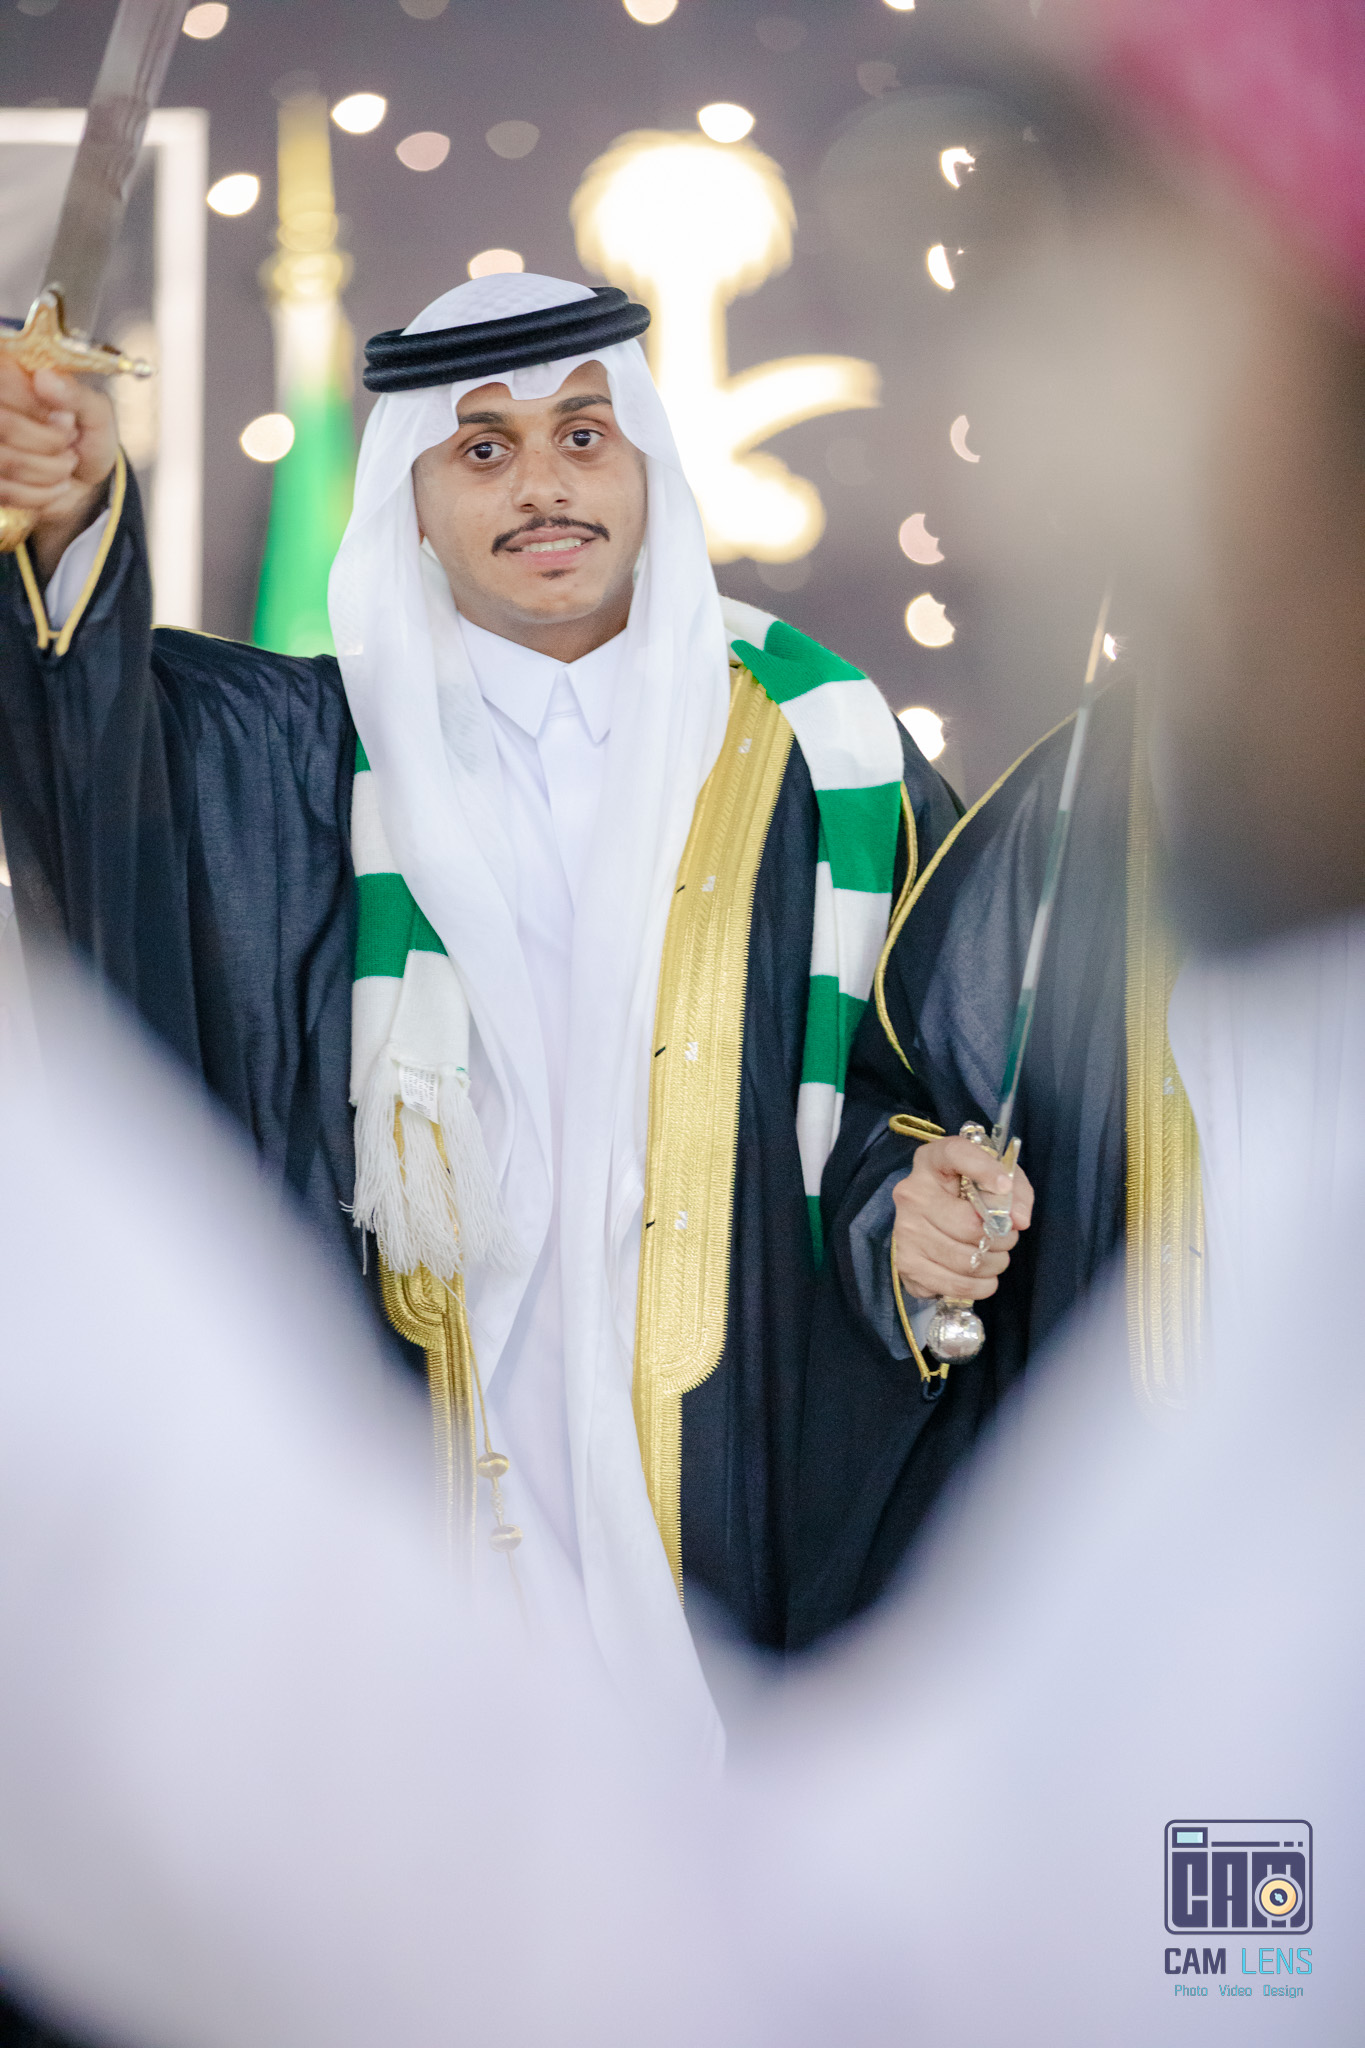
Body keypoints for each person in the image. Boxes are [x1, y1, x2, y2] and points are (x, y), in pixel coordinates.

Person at [0, 271, 960, 1753]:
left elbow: (918, 1075)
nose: (542, 487)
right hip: (417, 1463)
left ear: (645, 462)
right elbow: (95, 733)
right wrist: (67, 509)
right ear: (414, 498)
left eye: (582, 435)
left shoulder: (821, 755)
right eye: (484, 449)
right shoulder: (306, 754)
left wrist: (923, 1206)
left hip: (729, 1449)